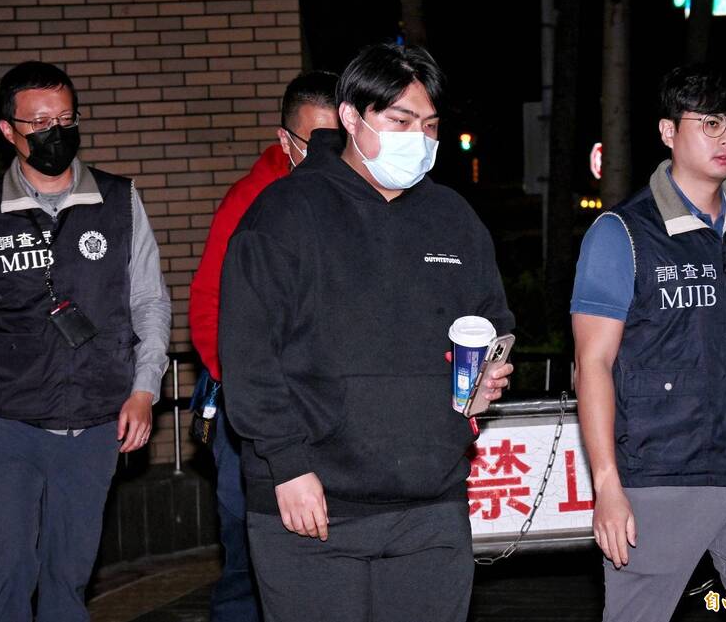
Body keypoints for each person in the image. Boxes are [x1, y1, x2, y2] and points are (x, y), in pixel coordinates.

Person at [219, 42, 514, 622]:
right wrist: (288, 465)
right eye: (401, 121)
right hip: (314, 503)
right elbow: (249, 356)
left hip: (432, 502)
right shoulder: (284, 212)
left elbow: (492, 319)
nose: (419, 138)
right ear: (352, 117)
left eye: (430, 125)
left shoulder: (453, 217)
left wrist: (487, 375)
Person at [571, 65, 726, 621]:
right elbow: (593, 363)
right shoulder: (622, 233)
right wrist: (608, 486)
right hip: (661, 480)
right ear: (669, 132)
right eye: (711, 123)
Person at [0, 61, 171, 622]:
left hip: (94, 421)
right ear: (8, 130)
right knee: (6, 573)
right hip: (9, 422)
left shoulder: (119, 200)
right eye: (40, 122)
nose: (56, 132)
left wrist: (143, 390)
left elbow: (149, 301)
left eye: (66, 119)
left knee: (68, 576)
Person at [188, 70, 339, 621]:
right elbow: (208, 306)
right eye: (313, 143)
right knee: (249, 548)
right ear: (285, 139)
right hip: (254, 404)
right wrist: (248, 388)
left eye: (337, 141)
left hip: (328, 405)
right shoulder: (252, 201)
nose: (326, 156)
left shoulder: (357, 194)